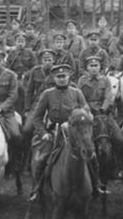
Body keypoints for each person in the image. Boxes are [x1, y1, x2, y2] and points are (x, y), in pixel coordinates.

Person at [28, 63, 104, 202]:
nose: (62, 79)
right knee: (42, 159)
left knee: (91, 156)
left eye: (64, 76)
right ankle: (37, 188)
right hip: (54, 132)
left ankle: (96, 185)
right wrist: (43, 132)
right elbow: (37, 117)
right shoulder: (47, 94)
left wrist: (76, 120)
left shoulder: (77, 92)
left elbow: (86, 110)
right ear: (54, 78)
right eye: (58, 77)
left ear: (69, 77)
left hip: (75, 132)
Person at [77, 55, 123, 157]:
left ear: (100, 67)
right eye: (91, 66)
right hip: (87, 113)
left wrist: (103, 109)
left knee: (119, 139)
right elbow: (80, 97)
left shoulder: (105, 80)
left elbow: (109, 96)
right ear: (87, 67)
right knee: (81, 140)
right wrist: (87, 110)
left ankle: (117, 164)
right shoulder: (82, 80)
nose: (94, 68)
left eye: (96, 65)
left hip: (104, 113)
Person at [22, 49, 57, 140]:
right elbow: (29, 91)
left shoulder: (57, 72)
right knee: (27, 130)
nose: (47, 62)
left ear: (53, 60)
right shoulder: (35, 71)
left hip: (53, 105)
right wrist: (27, 108)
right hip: (37, 105)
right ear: (41, 61)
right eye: (45, 60)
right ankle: (27, 153)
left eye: (50, 60)